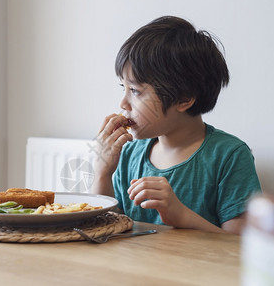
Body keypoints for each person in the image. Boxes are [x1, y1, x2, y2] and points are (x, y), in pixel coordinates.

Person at [92, 16, 261, 234]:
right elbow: (104, 232)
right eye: (122, 88)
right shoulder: (129, 155)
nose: (123, 103)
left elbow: (241, 248)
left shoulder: (229, 156)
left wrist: (182, 216)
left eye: (135, 91)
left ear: (184, 99)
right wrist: (101, 174)